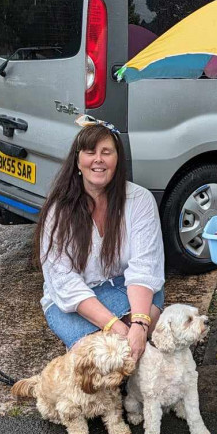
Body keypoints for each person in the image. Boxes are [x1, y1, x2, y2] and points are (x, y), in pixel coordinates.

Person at [36, 116, 164, 363]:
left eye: (107, 152)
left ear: (118, 160)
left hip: (127, 288)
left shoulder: (140, 201)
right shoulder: (58, 209)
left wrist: (138, 324)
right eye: (90, 152)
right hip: (76, 299)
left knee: (136, 332)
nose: (98, 159)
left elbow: (145, 266)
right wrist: (116, 326)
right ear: (77, 161)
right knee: (96, 355)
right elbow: (63, 279)